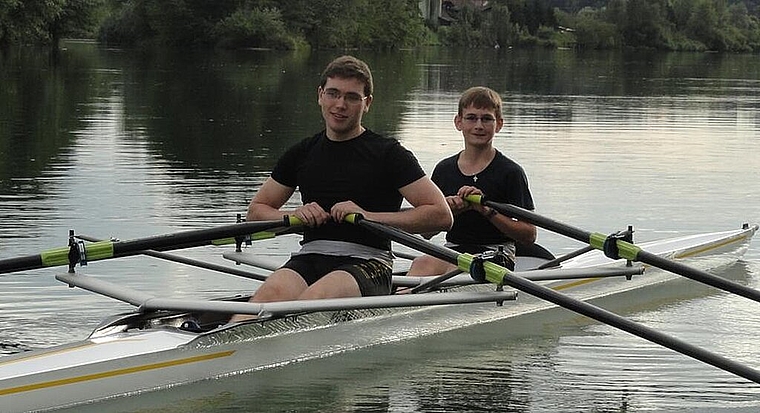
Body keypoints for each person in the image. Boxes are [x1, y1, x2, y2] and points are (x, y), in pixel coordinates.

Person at [230, 56, 452, 322]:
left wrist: (368, 216)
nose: (340, 105)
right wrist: (293, 215)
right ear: (320, 95)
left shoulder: (389, 154)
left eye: (352, 97)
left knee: (308, 305)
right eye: (333, 94)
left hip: (370, 262)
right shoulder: (301, 153)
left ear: (367, 103)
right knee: (259, 305)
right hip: (310, 256)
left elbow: (441, 215)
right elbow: (256, 212)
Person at [406, 86, 536, 277]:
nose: (478, 126)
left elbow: (529, 235)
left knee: (457, 269)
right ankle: (399, 302)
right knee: (421, 263)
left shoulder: (510, 172)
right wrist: (449, 211)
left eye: (486, 119)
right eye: (471, 118)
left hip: (497, 253)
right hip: (454, 249)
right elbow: (426, 233)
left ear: (498, 124)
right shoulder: (444, 169)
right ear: (458, 122)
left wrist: (486, 211)